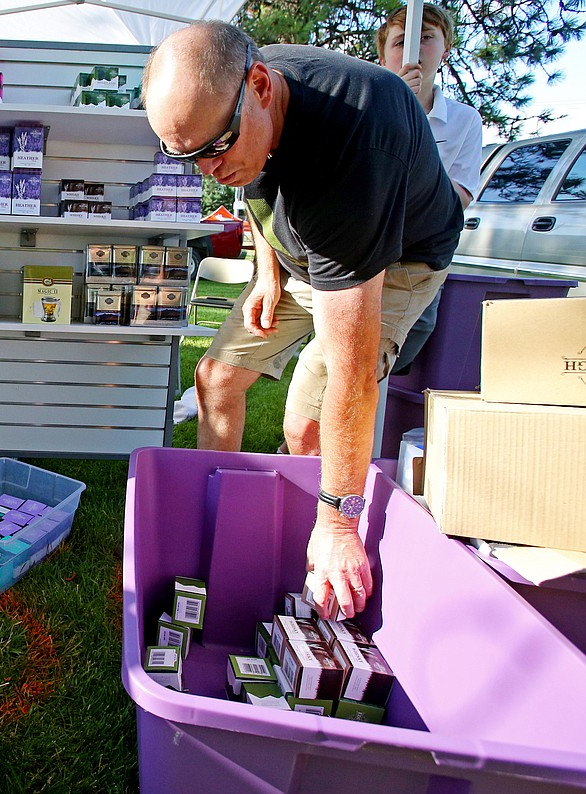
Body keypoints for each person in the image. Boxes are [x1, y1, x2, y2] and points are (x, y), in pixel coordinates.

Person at [142, 21, 463, 617]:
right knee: (215, 379)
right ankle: (222, 523)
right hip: (297, 253)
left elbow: (352, 368)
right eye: (186, 157)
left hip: (392, 261)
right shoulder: (237, 100)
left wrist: (342, 520)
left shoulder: (357, 146)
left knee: (310, 420)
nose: (207, 171)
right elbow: (254, 187)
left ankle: (306, 558)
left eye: (214, 150)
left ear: (261, 86)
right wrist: (268, 270)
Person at [377, 3, 483, 373]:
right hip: (366, 246)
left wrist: (415, 124)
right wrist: (395, 108)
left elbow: (461, 196)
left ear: (445, 49)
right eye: (400, 42)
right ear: (383, 55)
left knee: (409, 338)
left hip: (419, 252)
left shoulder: (464, 120)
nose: (413, 49)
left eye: (426, 38)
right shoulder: (367, 108)